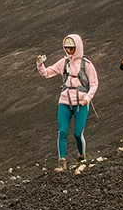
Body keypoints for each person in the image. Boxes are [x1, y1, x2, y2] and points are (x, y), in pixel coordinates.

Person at [37, 33, 98, 173]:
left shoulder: (86, 64)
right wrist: (40, 64)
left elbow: (94, 83)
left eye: (71, 48)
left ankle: (81, 156)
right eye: (67, 48)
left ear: (77, 47)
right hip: (64, 101)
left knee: (78, 133)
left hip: (81, 103)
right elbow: (46, 73)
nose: (69, 51)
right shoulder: (63, 63)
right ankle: (62, 162)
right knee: (62, 131)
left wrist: (87, 99)